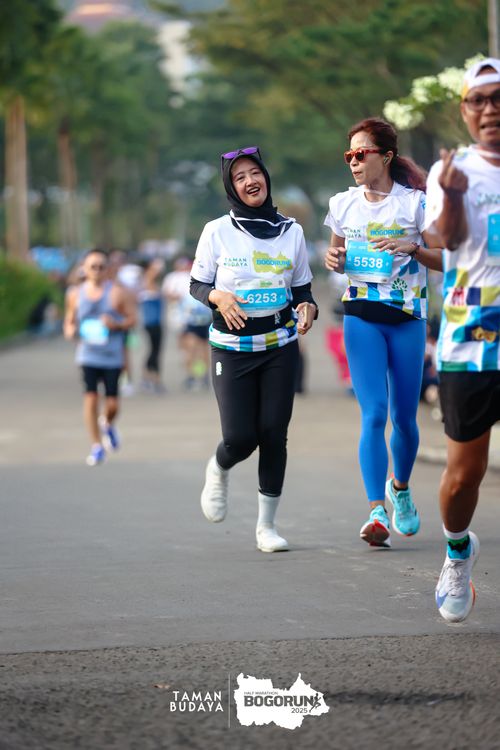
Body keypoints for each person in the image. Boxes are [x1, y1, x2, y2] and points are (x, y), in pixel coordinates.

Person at [190, 146, 318, 552]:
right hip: (231, 349)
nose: (250, 181)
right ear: (231, 186)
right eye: (240, 176)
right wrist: (217, 297)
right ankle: (219, 467)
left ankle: (267, 527)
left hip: (280, 345)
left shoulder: (292, 232)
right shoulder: (216, 231)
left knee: (274, 434)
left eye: (255, 173)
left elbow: (302, 290)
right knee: (240, 437)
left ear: (266, 177)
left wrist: (308, 307)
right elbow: (197, 284)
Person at [324, 118, 443, 549]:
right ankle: (376, 510)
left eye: (361, 154)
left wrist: (413, 248)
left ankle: (401, 488)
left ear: (386, 156)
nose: (354, 162)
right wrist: (334, 261)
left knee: (404, 419)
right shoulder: (342, 204)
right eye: (349, 155)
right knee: (374, 413)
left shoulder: (415, 204)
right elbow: (336, 254)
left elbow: (444, 259)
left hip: (407, 318)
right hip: (361, 317)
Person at [424, 58, 500, 622]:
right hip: (471, 340)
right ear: (465, 111)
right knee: (462, 478)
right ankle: (456, 550)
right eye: (479, 100)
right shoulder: (451, 171)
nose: (490, 109)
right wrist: (452, 196)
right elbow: (444, 241)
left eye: (499, 98)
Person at [64, 249, 137, 466]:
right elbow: (69, 320)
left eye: (101, 267)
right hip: (87, 355)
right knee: (91, 398)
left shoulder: (117, 293)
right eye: (92, 267)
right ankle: (96, 446)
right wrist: (69, 330)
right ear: (84, 269)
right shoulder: (75, 294)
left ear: (107, 270)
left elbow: (132, 319)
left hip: (112, 355)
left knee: (112, 403)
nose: (96, 270)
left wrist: (116, 324)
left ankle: (108, 423)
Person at [138, 257, 166, 393]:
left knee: (155, 351)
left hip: (156, 322)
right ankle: (153, 380)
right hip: (151, 323)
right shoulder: (146, 283)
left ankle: (149, 379)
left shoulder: (152, 283)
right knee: (154, 352)